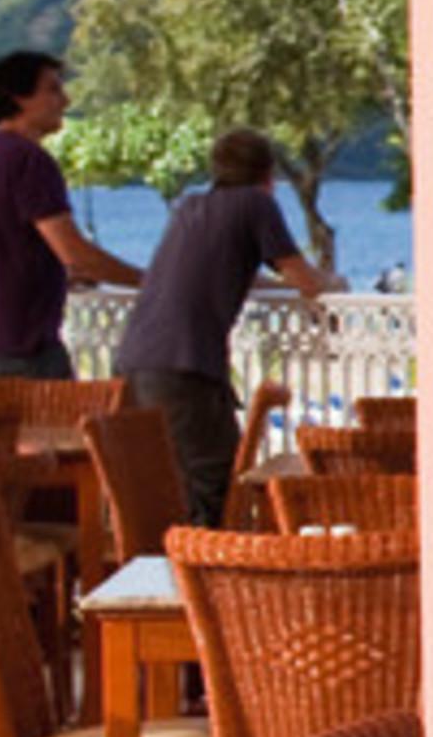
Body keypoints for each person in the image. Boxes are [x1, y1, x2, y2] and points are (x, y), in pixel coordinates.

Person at [116, 131, 342, 529]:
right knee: (217, 485)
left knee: (166, 487)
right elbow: (303, 278)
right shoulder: (256, 204)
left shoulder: (191, 207)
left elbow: (230, 271)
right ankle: (209, 581)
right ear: (268, 174)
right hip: (184, 366)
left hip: (136, 359)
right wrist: (335, 285)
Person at [0, 48, 141, 385]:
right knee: (71, 437)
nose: (64, 101)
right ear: (18, 98)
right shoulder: (28, 160)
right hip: (22, 350)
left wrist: (49, 277)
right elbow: (77, 256)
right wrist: (151, 283)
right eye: (52, 89)